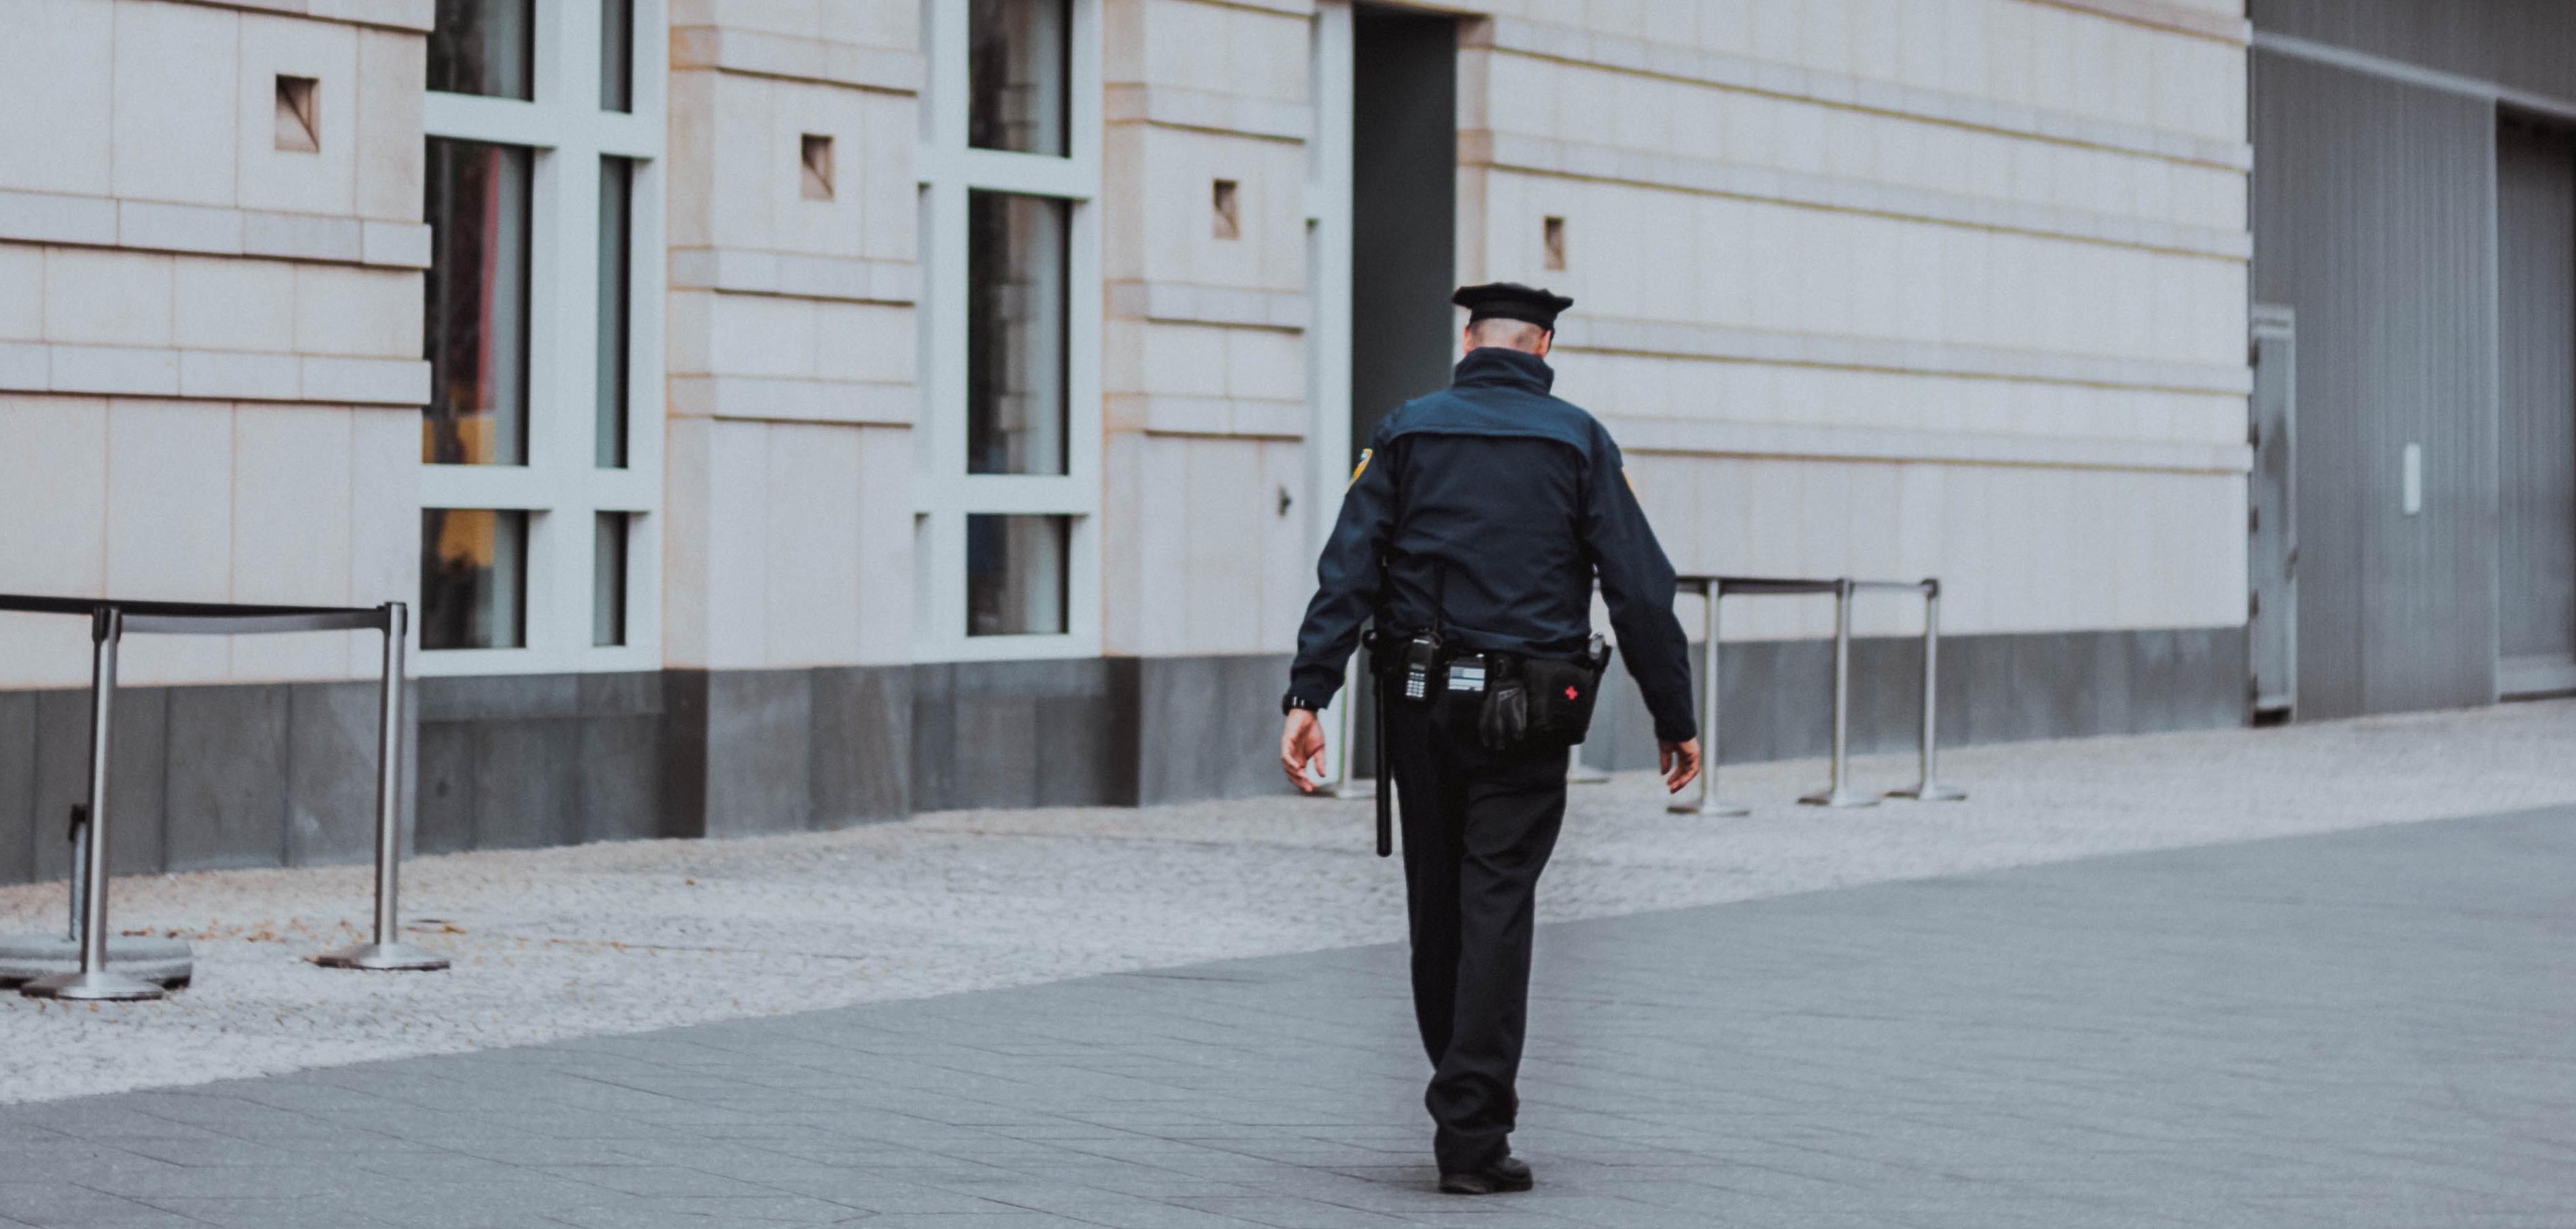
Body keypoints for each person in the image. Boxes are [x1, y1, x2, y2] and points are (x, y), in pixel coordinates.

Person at [1277, 282, 1702, 1195]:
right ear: (1542, 348)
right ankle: (1472, 1133)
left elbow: (1348, 565)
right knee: (1496, 904)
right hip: (1528, 711)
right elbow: (1638, 588)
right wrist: (1676, 716)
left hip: (1419, 702)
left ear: (1469, 342)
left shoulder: (1406, 431)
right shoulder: (1578, 440)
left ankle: (1461, 1104)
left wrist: (1308, 690)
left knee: (1436, 904)